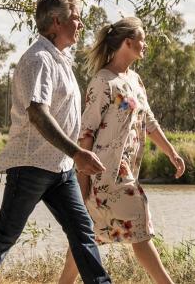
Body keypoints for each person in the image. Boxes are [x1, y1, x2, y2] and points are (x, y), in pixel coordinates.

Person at [0, 0, 112, 284]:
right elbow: (37, 112)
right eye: (75, 18)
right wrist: (78, 153)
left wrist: (71, 158)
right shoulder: (39, 59)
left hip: (60, 169)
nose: (80, 24)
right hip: (31, 165)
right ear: (56, 22)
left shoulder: (59, 59)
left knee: (82, 232)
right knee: (5, 234)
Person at [57, 17, 186, 284]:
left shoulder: (135, 80)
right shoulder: (103, 82)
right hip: (105, 174)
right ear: (127, 42)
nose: (145, 44)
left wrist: (171, 153)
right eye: (142, 39)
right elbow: (86, 133)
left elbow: (148, 120)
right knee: (140, 228)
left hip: (127, 170)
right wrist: (81, 181)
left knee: (88, 236)